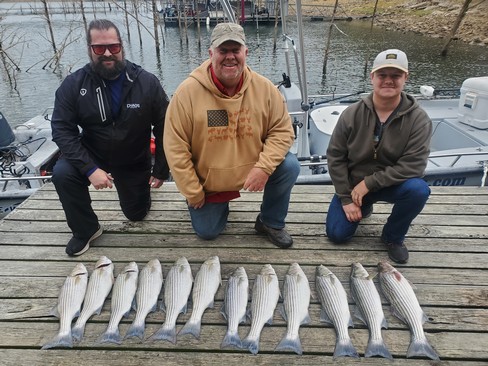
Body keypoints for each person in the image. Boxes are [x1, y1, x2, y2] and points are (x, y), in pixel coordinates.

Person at [163, 22, 300, 248]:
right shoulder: (186, 93)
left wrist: (264, 167)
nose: (230, 57)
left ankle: (270, 221)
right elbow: (175, 147)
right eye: (223, 51)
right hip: (210, 182)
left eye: (235, 50)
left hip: (251, 167)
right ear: (211, 53)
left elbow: (282, 132)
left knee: (290, 166)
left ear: (245, 53)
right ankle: (218, 206)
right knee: (207, 232)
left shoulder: (265, 89)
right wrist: (192, 191)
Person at [51, 19, 170, 256]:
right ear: (89, 49)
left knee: (136, 215)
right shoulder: (73, 84)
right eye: (99, 48)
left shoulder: (147, 82)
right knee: (62, 174)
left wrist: (161, 169)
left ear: (121, 47)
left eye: (113, 47)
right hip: (93, 153)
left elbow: (165, 127)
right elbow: (62, 129)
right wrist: (89, 168)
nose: (107, 53)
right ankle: (86, 230)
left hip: (134, 158)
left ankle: (141, 197)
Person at [325, 49, 432, 264]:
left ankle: (393, 237)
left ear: (406, 78)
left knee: (419, 190)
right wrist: (347, 198)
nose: (388, 81)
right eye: (383, 75)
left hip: (393, 184)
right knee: (337, 235)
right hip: (355, 187)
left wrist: (370, 183)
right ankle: (363, 206)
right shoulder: (351, 114)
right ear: (372, 77)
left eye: (396, 75)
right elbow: (335, 157)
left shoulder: (419, 119)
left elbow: (414, 166)